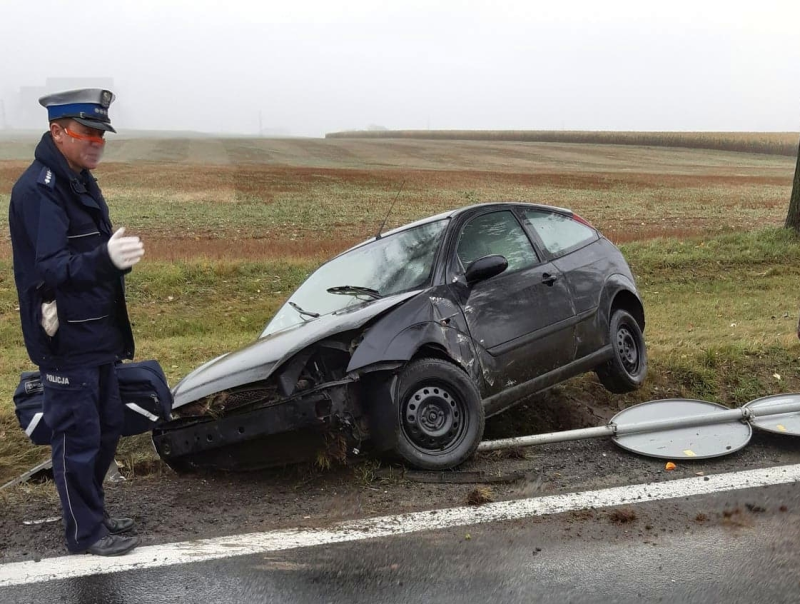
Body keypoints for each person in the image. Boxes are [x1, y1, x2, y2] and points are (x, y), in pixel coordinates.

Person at [8, 89, 145, 556]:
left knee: (106, 428)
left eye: (101, 134)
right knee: (77, 437)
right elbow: (51, 268)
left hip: (97, 331)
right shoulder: (40, 190)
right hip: (65, 335)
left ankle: (96, 515)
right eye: (86, 133)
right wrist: (106, 260)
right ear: (57, 131)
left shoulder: (79, 179)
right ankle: (85, 534)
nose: (96, 142)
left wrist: (108, 262)